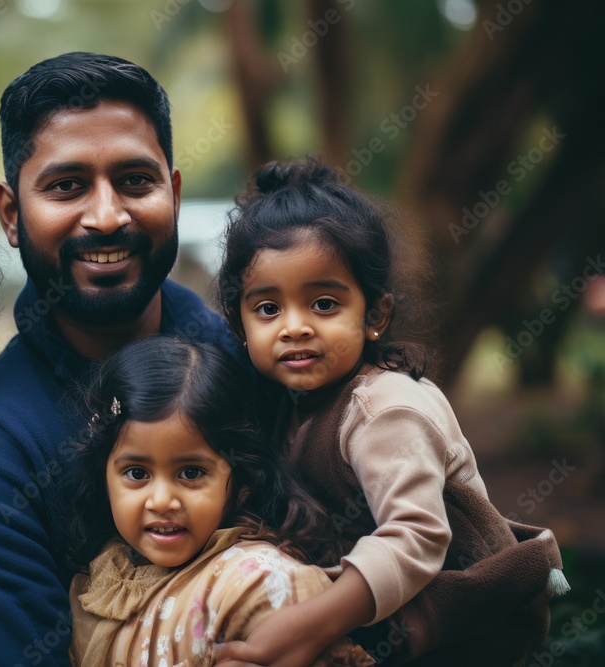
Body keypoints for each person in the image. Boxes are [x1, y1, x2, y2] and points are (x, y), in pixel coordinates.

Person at [0, 52, 244, 666]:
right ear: (11, 214)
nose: (107, 216)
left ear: (172, 192)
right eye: (67, 187)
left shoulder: (257, 362)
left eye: (135, 182)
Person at [213, 157, 569, 666]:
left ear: (375, 314)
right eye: (268, 308)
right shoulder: (285, 406)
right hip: (379, 614)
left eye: (324, 304)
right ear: (240, 321)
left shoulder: (385, 407)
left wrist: (309, 625)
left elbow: (416, 537)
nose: (294, 327)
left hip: (464, 623)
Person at [66, 335, 373, 666]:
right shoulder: (95, 581)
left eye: (192, 473)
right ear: (104, 476)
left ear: (243, 481)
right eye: (137, 474)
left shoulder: (261, 584)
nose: (162, 501)